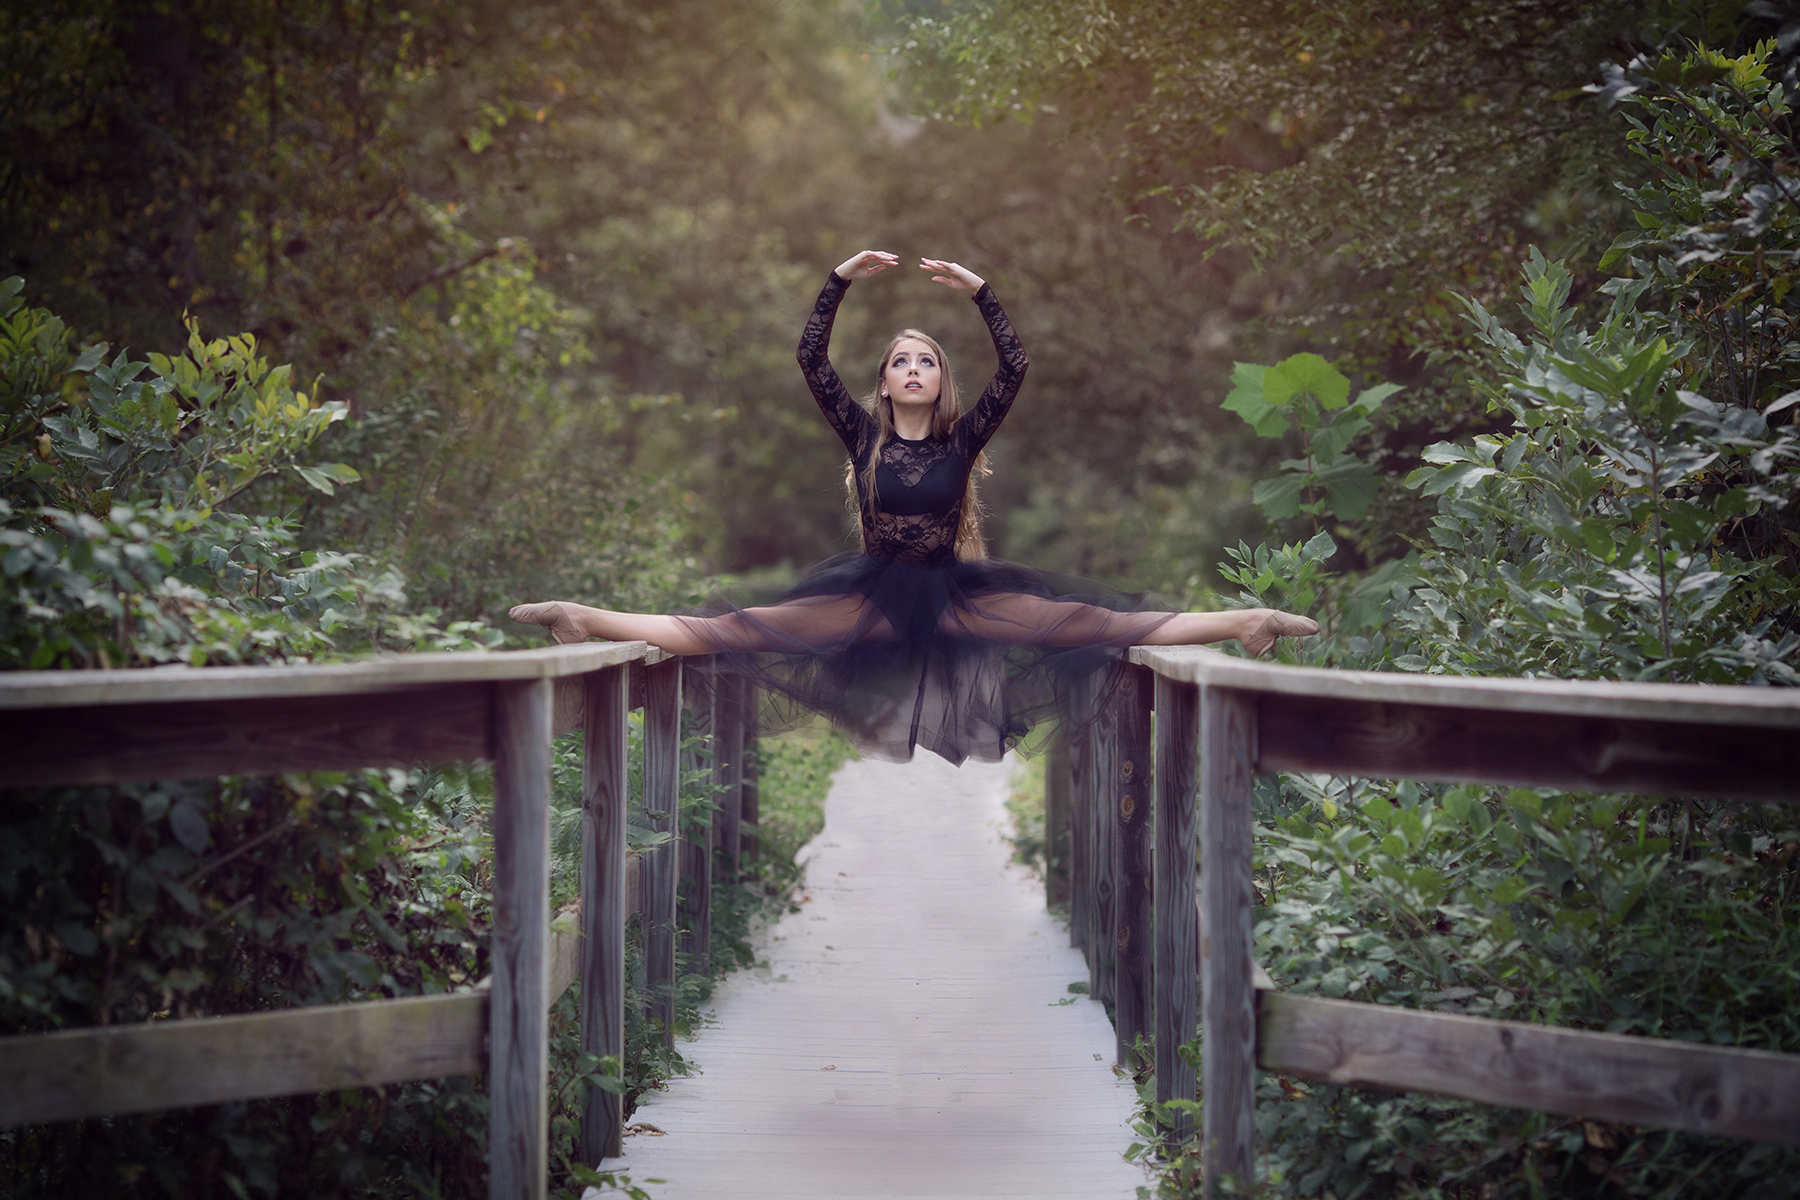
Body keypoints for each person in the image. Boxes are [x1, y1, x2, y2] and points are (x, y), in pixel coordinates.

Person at [512, 251, 1317, 762]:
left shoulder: (963, 442)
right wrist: (837, 283)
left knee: (1092, 621)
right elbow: (808, 358)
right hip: (868, 597)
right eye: (899, 360)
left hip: (953, 597)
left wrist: (980, 292)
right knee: (731, 629)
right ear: (886, 379)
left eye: (924, 360)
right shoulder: (862, 437)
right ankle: (582, 616)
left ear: (940, 379)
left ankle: (1245, 622)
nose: (911, 368)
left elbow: (1017, 363)